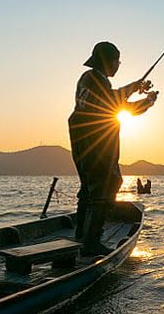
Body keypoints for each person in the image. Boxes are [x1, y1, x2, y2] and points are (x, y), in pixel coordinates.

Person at [68, 42, 158, 256]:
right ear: (108, 62)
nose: (119, 65)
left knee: (89, 188)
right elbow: (116, 103)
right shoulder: (95, 80)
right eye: (117, 61)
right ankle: (91, 243)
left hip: (82, 141)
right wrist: (146, 99)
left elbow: (115, 101)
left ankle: (81, 235)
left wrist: (137, 90)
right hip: (96, 143)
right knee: (106, 185)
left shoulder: (90, 79)